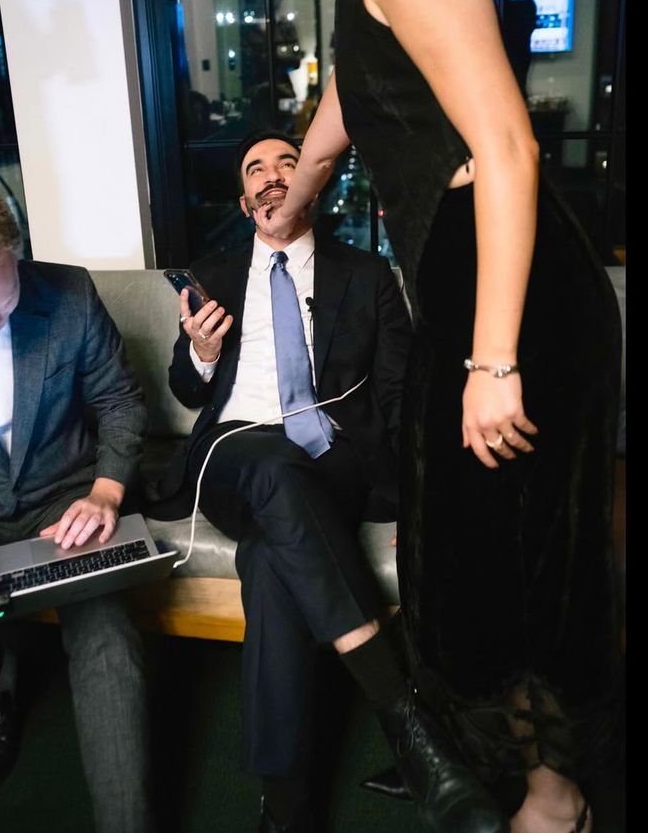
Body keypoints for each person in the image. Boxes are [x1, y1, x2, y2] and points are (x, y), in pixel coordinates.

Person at [232, 0, 623, 833]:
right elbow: (342, 107)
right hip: (469, 279)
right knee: (467, 555)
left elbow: (504, 144)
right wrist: (295, 191)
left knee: (526, 554)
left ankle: (558, 794)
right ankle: (514, 773)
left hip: (513, 292)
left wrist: (492, 358)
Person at [152, 130, 513, 833]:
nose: (270, 176)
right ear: (242, 199)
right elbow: (185, 393)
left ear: (313, 184)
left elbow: (401, 402)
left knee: (269, 560)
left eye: (287, 163)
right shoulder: (212, 275)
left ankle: (285, 803)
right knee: (269, 465)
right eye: (254, 169)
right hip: (229, 455)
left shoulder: (367, 276)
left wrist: (419, 494)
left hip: (331, 463)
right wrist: (200, 353)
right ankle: (408, 721)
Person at [0, 186, 155, 833]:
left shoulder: (69, 293)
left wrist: (104, 491)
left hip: (66, 502)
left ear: (15, 255)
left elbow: (121, 403)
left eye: (3, 308)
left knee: (109, 650)